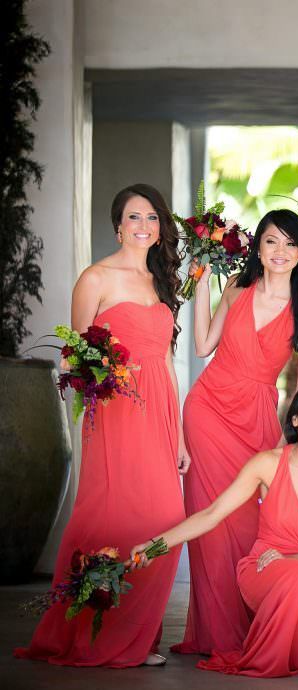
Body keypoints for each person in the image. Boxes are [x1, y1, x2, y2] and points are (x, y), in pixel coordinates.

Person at [16, 184, 186, 667]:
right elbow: (75, 354)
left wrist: (179, 433)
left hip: (158, 412)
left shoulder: (161, 281)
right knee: (110, 517)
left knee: (163, 520)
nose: (144, 226)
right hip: (115, 411)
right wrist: (106, 376)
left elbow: (167, 362)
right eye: (135, 216)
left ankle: (136, 635)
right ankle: (94, 635)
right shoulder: (96, 277)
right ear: (118, 225)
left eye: (152, 217)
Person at [175, 208, 298, 655]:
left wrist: (285, 443)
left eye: (289, 243)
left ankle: (244, 624)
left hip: (258, 420)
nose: (280, 251)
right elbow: (202, 346)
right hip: (208, 409)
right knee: (207, 522)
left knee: (244, 524)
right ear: (257, 246)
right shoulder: (238, 287)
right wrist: (200, 283)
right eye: (271, 241)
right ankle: (213, 634)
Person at [132, 382, 298, 678]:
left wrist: (292, 561)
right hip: (263, 567)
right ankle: (275, 657)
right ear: (296, 419)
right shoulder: (267, 464)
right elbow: (212, 514)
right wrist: (154, 545)